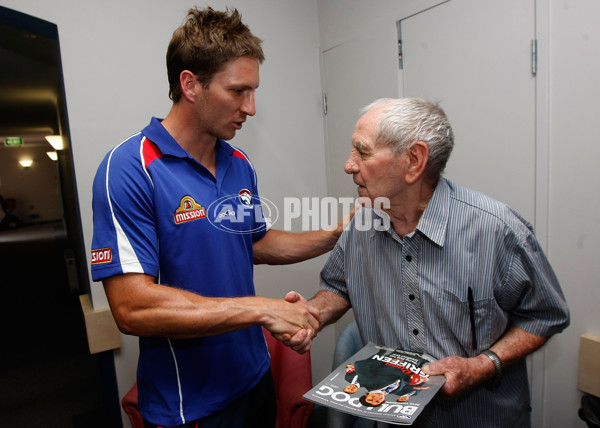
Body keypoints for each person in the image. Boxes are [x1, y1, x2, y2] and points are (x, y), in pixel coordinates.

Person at [90, 7, 346, 428]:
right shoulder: (130, 167)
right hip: (187, 406)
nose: (251, 107)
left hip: (254, 380)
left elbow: (254, 243)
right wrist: (263, 309)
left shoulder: (238, 162)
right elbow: (132, 308)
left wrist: (335, 235)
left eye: (254, 91)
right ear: (190, 84)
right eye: (238, 91)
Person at [287, 97, 570, 427]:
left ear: (413, 160)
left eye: (362, 152)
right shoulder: (363, 221)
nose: (349, 165)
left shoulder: (496, 230)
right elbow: (338, 285)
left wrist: (482, 365)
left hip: (480, 418)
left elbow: (545, 315)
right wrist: (313, 313)